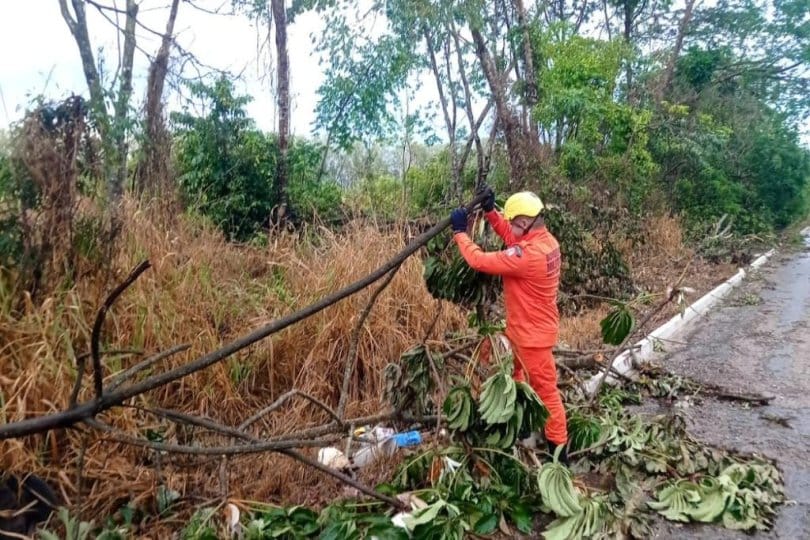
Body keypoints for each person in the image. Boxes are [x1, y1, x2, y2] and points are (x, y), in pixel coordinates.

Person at [450, 188, 568, 463]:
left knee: (547, 395)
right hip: (527, 332)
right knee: (518, 383)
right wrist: (492, 213)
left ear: (525, 222)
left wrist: (460, 233)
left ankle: (559, 456)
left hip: (532, 340)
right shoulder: (548, 242)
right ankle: (523, 430)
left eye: (513, 220)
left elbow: (479, 260)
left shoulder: (528, 256)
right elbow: (511, 236)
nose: (510, 224)